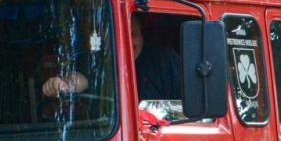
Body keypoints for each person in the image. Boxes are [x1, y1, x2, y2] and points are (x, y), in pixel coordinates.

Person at [44, 14, 182, 101]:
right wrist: (62, 84)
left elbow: (188, 102)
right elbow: (79, 79)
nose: (128, 42)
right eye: (120, 35)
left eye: (133, 34)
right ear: (105, 38)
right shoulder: (97, 62)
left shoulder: (163, 60)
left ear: (142, 34)